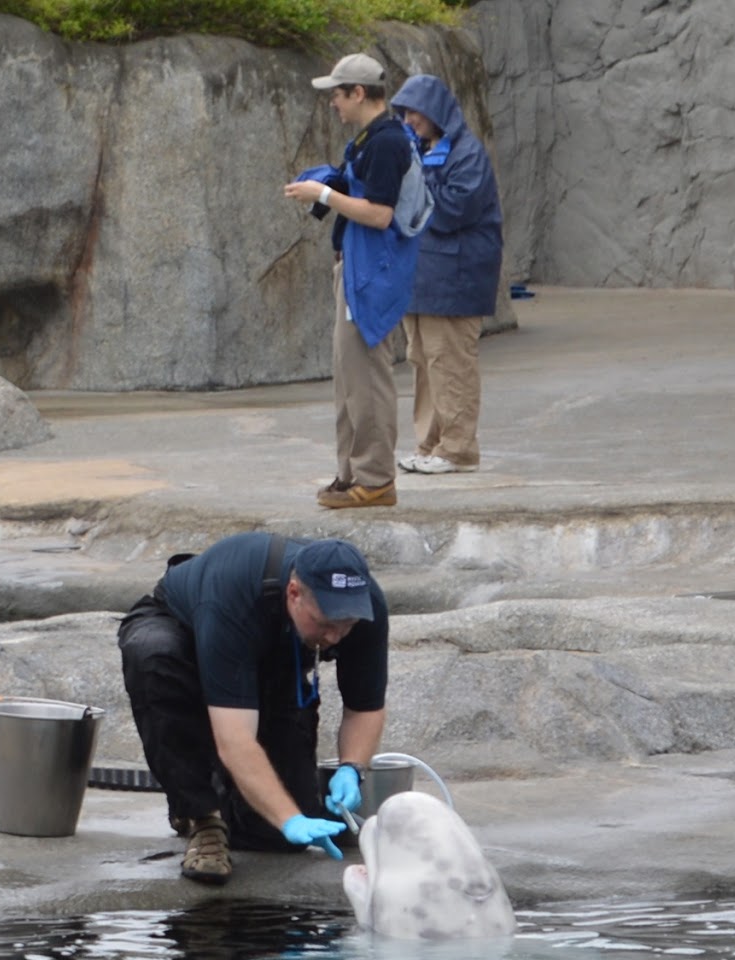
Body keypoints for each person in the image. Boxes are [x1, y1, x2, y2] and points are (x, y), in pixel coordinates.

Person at [116, 533, 389, 885]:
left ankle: (229, 792)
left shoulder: (365, 608)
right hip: (183, 632)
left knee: (273, 837)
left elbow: (364, 708)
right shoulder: (232, 599)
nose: (336, 637)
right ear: (294, 593)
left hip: (273, 650)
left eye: (346, 626)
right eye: (325, 624)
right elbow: (235, 739)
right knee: (154, 655)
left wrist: (352, 767)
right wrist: (289, 818)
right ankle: (201, 816)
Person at [284, 53, 421, 510]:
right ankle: (352, 474)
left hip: (372, 272)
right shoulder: (370, 139)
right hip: (358, 267)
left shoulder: (387, 143)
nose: (332, 104)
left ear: (359, 93)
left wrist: (323, 194)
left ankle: (376, 478)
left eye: (337, 95)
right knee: (349, 378)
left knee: (367, 379)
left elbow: (381, 215)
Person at [389, 74, 504, 476]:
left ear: (436, 111)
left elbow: (455, 209)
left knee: (450, 361)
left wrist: (415, 186)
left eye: (414, 112)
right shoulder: (420, 151)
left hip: (456, 278)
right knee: (422, 361)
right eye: (403, 113)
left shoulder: (467, 153)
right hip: (422, 278)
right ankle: (429, 444)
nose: (409, 120)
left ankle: (457, 449)